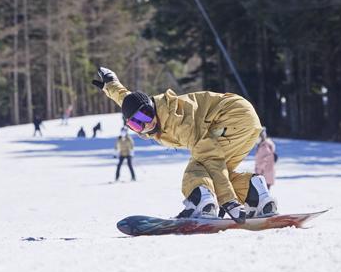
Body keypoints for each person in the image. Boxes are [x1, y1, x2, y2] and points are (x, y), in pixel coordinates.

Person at [93, 66, 276, 223]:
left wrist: (228, 200)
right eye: (136, 124)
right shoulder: (152, 113)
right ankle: (256, 193)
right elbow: (128, 101)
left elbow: (210, 156)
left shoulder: (177, 120)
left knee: (197, 169)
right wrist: (110, 84)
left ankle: (202, 204)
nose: (145, 124)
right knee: (218, 172)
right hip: (245, 122)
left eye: (146, 115)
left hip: (231, 117)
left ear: (152, 106)